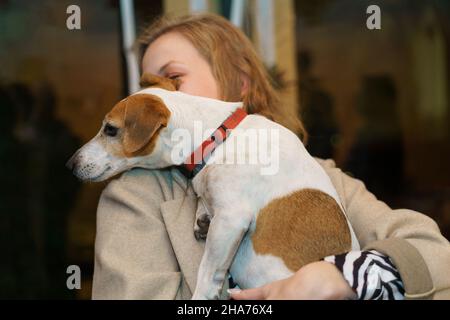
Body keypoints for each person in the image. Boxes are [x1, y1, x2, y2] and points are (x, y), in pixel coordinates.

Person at [92, 13, 450, 300]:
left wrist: (340, 277)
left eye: (173, 79)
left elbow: (435, 256)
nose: (160, 97)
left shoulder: (315, 175)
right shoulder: (136, 196)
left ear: (240, 84)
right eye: (148, 89)